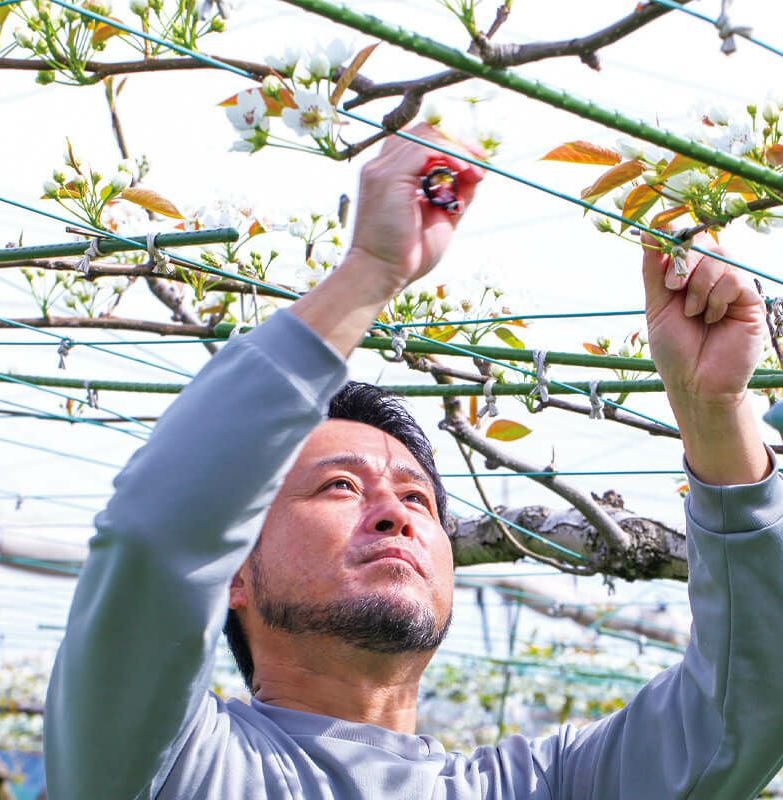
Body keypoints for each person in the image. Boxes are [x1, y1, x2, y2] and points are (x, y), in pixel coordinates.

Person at [44, 124, 783, 800]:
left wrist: (713, 413)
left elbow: (752, 698)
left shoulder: (541, 788)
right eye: (339, 486)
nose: (394, 514)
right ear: (234, 570)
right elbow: (156, 539)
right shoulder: (170, 769)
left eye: (418, 499)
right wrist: (367, 273)